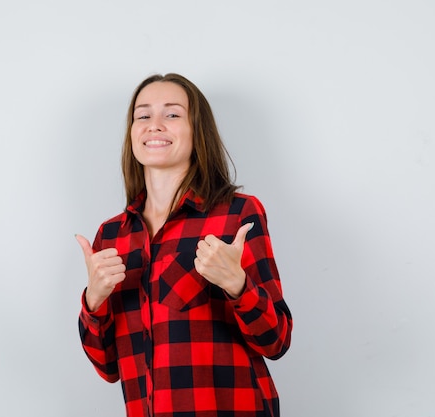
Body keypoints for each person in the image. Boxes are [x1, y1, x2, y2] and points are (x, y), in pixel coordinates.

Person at [76, 73, 292, 417]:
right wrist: (93, 301)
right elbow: (108, 368)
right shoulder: (112, 236)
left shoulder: (237, 215)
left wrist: (237, 285)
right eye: (143, 116)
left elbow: (277, 341)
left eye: (172, 114)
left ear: (197, 130)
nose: (154, 125)